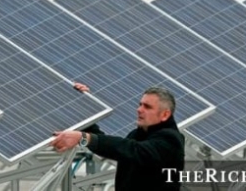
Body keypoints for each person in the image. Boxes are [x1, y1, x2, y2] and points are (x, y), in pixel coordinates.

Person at [49, 82, 185, 191]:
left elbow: (133, 150)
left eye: (147, 107)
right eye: (140, 105)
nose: (139, 109)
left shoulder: (170, 140)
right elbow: (113, 148)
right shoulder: (138, 134)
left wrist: (84, 138)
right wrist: (84, 104)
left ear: (165, 114)